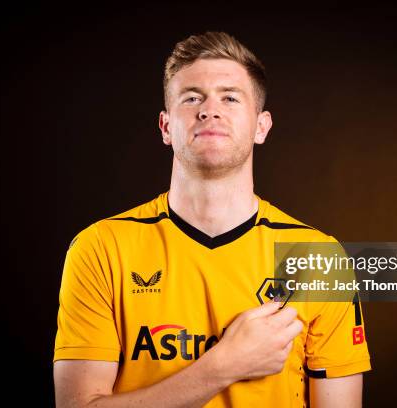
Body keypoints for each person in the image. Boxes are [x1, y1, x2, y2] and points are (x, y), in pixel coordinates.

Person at [53, 31, 371, 407]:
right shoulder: (101, 248)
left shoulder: (319, 258)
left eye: (230, 97)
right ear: (166, 127)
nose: (209, 110)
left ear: (261, 126)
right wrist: (226, 364)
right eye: (192, 98)